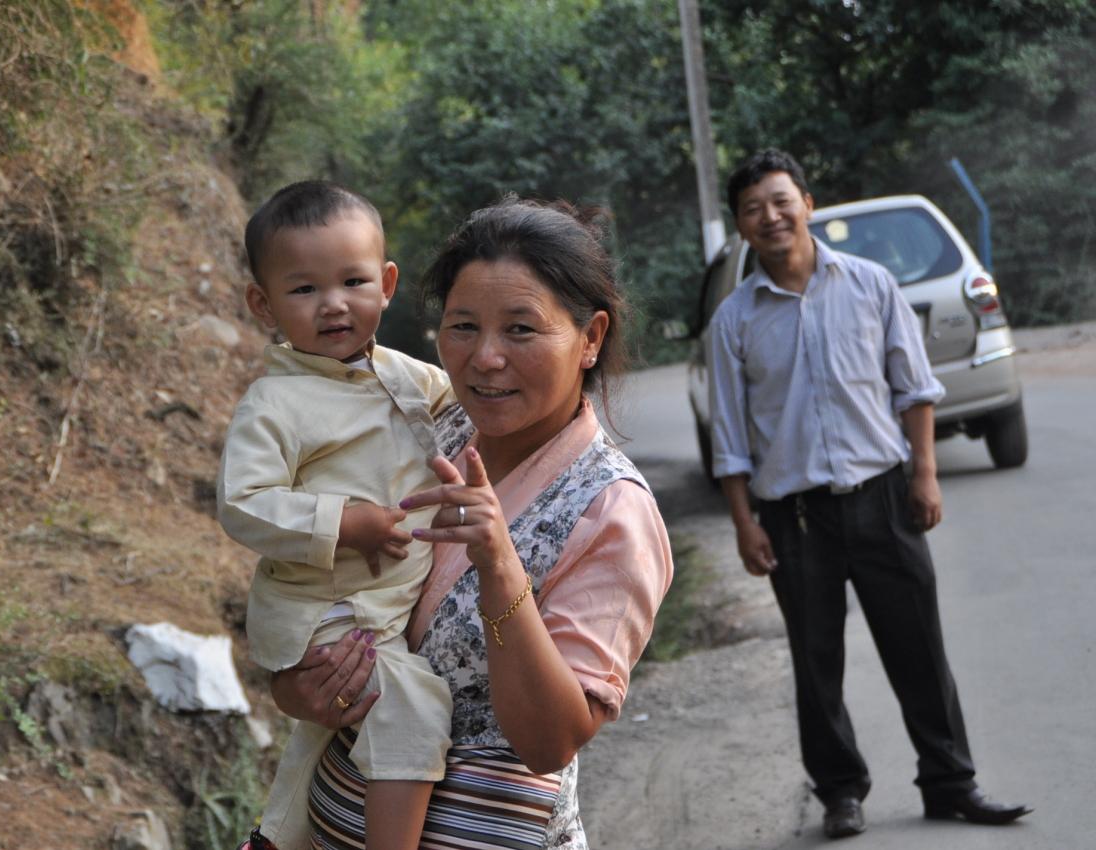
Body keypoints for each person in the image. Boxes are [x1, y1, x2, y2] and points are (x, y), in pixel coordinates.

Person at [254, 197, 674, 849]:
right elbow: (312, 582)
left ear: (590, 338)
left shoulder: (609, 510)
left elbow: (550, 742)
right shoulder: (425, 426)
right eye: (463, 326)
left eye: (521, 330)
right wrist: (298, 686)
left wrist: (500, 567)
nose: (485, 358)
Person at [707, 149, 1032, 839]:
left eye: (780, 200)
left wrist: (925, 474)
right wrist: (743, 522)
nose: (770, 216)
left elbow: (914, 389)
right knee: (816, 661)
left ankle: (951, 781)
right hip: (793, 516)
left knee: (919, 648)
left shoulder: (870, 284)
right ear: (740, 225)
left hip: (883, 498)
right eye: (753, 208)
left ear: (807, 203)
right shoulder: (734, 320)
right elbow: (730, 437)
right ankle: (840, 792)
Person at [217, 180, 456, 850]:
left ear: (386, 283)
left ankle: (274, 838)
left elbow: (469, 411)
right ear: (263, 304)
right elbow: (243, 503)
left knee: (327, 734)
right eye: (304, 289)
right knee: (411, 708)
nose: (333, 304)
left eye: (353, 281)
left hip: (381, 606)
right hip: (326, 610)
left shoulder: (408, 378)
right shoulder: (275, 404)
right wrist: (344, 523)